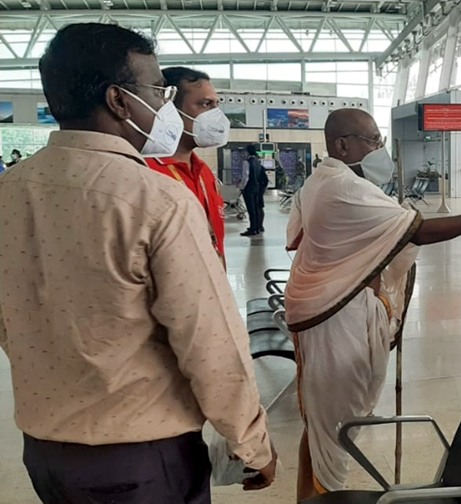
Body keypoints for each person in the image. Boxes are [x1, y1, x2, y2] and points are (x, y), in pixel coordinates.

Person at [0, 23, 277, 504]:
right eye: (158, 91)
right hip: (141, 457)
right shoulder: (153, 198)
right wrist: (250, 441)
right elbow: (207, 338)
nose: (164, 105)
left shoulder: (9, 192)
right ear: (118, 100)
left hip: (46, 454)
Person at [285, 108, 461, 499]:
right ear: (342, 144)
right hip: (337, 317)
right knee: (333, 429)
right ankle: (323, 497)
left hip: (325, 310)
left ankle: (311, 499)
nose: (380, 149)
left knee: (321, 425)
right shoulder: (342, 186)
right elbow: (418, 229)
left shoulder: (325, 179)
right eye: (373, 141)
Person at [145, 66, 229, 264]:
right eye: (205, 104)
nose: (215, 115)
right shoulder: (146, 173)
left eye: (216, 105)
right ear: (169, 109)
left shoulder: (204, 173)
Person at [240, 143, 265, 236]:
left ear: (247, 152)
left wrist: (241, 187)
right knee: (256, 208)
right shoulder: (258, 162)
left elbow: (245, 177)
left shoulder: (246, 162)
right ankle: (257, 227)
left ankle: (253, 228)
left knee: (251, 209)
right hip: (257, 188)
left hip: (249, 189)